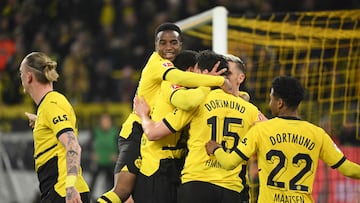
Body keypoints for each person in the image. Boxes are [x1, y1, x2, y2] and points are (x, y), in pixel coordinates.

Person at [97, 22, 232, 203]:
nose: (169, 47)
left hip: (156, 139)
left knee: (129, 196)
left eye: (173, 42)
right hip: (137, 130)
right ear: (155, 45)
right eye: (163, 42)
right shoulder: (159, 65)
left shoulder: (176, 74)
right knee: (122, 190)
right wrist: (216, 81)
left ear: (180, 44)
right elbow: (180, 80)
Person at [133, 50, 265, 203]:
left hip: (197, 184)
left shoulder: (196, 102)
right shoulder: (249, 109)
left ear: (204, 73)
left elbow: (153, 133)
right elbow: (270, 130)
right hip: (232, 188)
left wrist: (143, 114)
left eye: (196, 72)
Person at [205, 75, 360, 203]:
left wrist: (216, 149)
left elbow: (229, 162)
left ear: (280, 103)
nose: (269, 103)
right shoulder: (317, 133)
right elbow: (347, 169)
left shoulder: (261, 129)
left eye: (271, 98)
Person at [132, 49, 211, 203]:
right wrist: (208, 83)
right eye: (197, 72)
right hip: (157, 166)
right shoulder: (170, 85)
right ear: (189, 71)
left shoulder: (195, 95)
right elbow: (188, 102)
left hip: (175, 165)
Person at [21, 52, 90, 203]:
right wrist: (40, 122)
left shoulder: (51, 104)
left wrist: (70, 186)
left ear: (29, 76)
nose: (20, 77)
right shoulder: (49, 105)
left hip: (63, 193)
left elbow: (72, 145)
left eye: (21, 73)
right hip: (60, 192)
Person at [89, 113, 118, 198]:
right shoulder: (95, 132)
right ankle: (89, 198)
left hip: (111, 162)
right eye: (103, 121)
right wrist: (92, 154)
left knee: (112, 184)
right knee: (93, 183)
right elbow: (89, 145)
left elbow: (121, 146)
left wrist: (117, 155)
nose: (105, 123)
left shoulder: (115, 132)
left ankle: (111, 198)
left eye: (107, 121)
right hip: (99, 161)